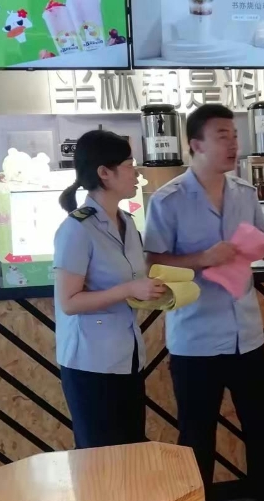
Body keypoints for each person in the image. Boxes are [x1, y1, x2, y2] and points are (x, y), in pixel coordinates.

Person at [144, 104, 264, 501]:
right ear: (195, 145)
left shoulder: (245, 193)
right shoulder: (168, 199)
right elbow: (152, 261)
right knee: (197, 434)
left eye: (234, 135)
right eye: (222, 136)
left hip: (246, 332)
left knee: (259, 424)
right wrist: (202, 258)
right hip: (195, 336)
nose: (233, 144)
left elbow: (256, 247)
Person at [53, 130, 166, 449]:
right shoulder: (76, 229)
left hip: (128, 356)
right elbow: (69, 302)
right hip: (91, 363)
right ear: (104, 172)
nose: (137, 172)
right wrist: (129, 288)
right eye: (129, 165)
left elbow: (132, 282)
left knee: (130, 453)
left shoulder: (128, 223)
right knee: (99, 459)